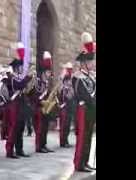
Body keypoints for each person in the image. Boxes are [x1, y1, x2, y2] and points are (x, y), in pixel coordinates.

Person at [72, 32, 96, 172]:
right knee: (82, 138)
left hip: (91, 110)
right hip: (83, 110)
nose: (93, 64)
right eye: (91, 61)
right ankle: (79, 164)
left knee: (88, 137)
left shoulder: (91, 77)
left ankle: (85, 162)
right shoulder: (78, 77)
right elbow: (86, 96)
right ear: (84, 63)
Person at [4, 42, 31, 158]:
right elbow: (18, 86)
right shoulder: (11, 78)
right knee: (14, 127)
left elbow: (24, 88)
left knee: (20, 128)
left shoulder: (19, 77)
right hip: (14, 105)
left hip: (21, 104)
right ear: (16, 68)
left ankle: (19, 149)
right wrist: (28, 77)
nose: (21, 69)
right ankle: (9, 150)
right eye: (20, 67)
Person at [33, 51, 55, 153]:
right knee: (40, 128)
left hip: (46, 107)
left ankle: (44, 144)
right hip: (39, 107)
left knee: (45, 128)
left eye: (50, 72)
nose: (49, 74)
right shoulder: (38, 81)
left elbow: (48, 94)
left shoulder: (47, 82)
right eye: (48, 72)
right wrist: (42, 102)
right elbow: (35, 95)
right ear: (44, 72)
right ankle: (38, 146)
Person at [58, 62, 75, 148]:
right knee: (63, 125)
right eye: (68, 81)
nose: (69, 82)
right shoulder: (62, 85)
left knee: (67, 125)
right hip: (63, 107)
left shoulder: (70, 84)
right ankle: (62, 141)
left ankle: (66, 140)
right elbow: (62, 94)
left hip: (69, 107)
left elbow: (72, 95)